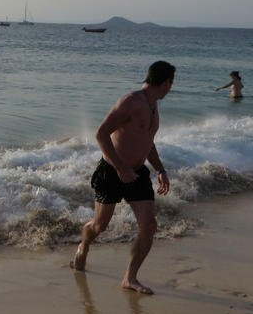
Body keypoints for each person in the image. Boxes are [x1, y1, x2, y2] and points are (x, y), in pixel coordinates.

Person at [71, 61, 175, 294]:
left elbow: (147, 143)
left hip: (137, 174)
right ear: (166, 83)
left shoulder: (153, 106)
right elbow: (101, 133)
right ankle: (84, 245)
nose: (170, 89)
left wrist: (160, 170)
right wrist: (120, 168)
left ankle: (130, 278)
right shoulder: (131, 101)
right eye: (171, 84)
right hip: (111, 172)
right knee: (99, 226)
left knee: (149, 226)